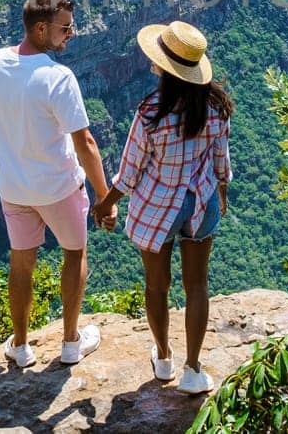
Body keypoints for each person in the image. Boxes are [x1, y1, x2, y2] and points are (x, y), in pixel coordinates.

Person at [0, 0, 113, 369]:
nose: (72, 34)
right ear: (42, 28)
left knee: (21, 261)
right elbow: (86, 143)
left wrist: (5, 149)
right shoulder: (57, 77)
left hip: (13, 187)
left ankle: (20, 345)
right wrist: (104, 196)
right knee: (74, 253)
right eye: (66, 28)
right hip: (58, 187)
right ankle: (69, 342)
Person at [91, 20, 233, 395]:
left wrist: (105, 205)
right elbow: (222, 165)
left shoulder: (151, 112)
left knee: (157, 287)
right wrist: (222, 195)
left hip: (157, 209)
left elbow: (129, 174)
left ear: (164, 68)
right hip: (200, 205)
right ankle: (193, 368)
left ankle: (165, 358)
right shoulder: (215, 107)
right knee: (197, 286)